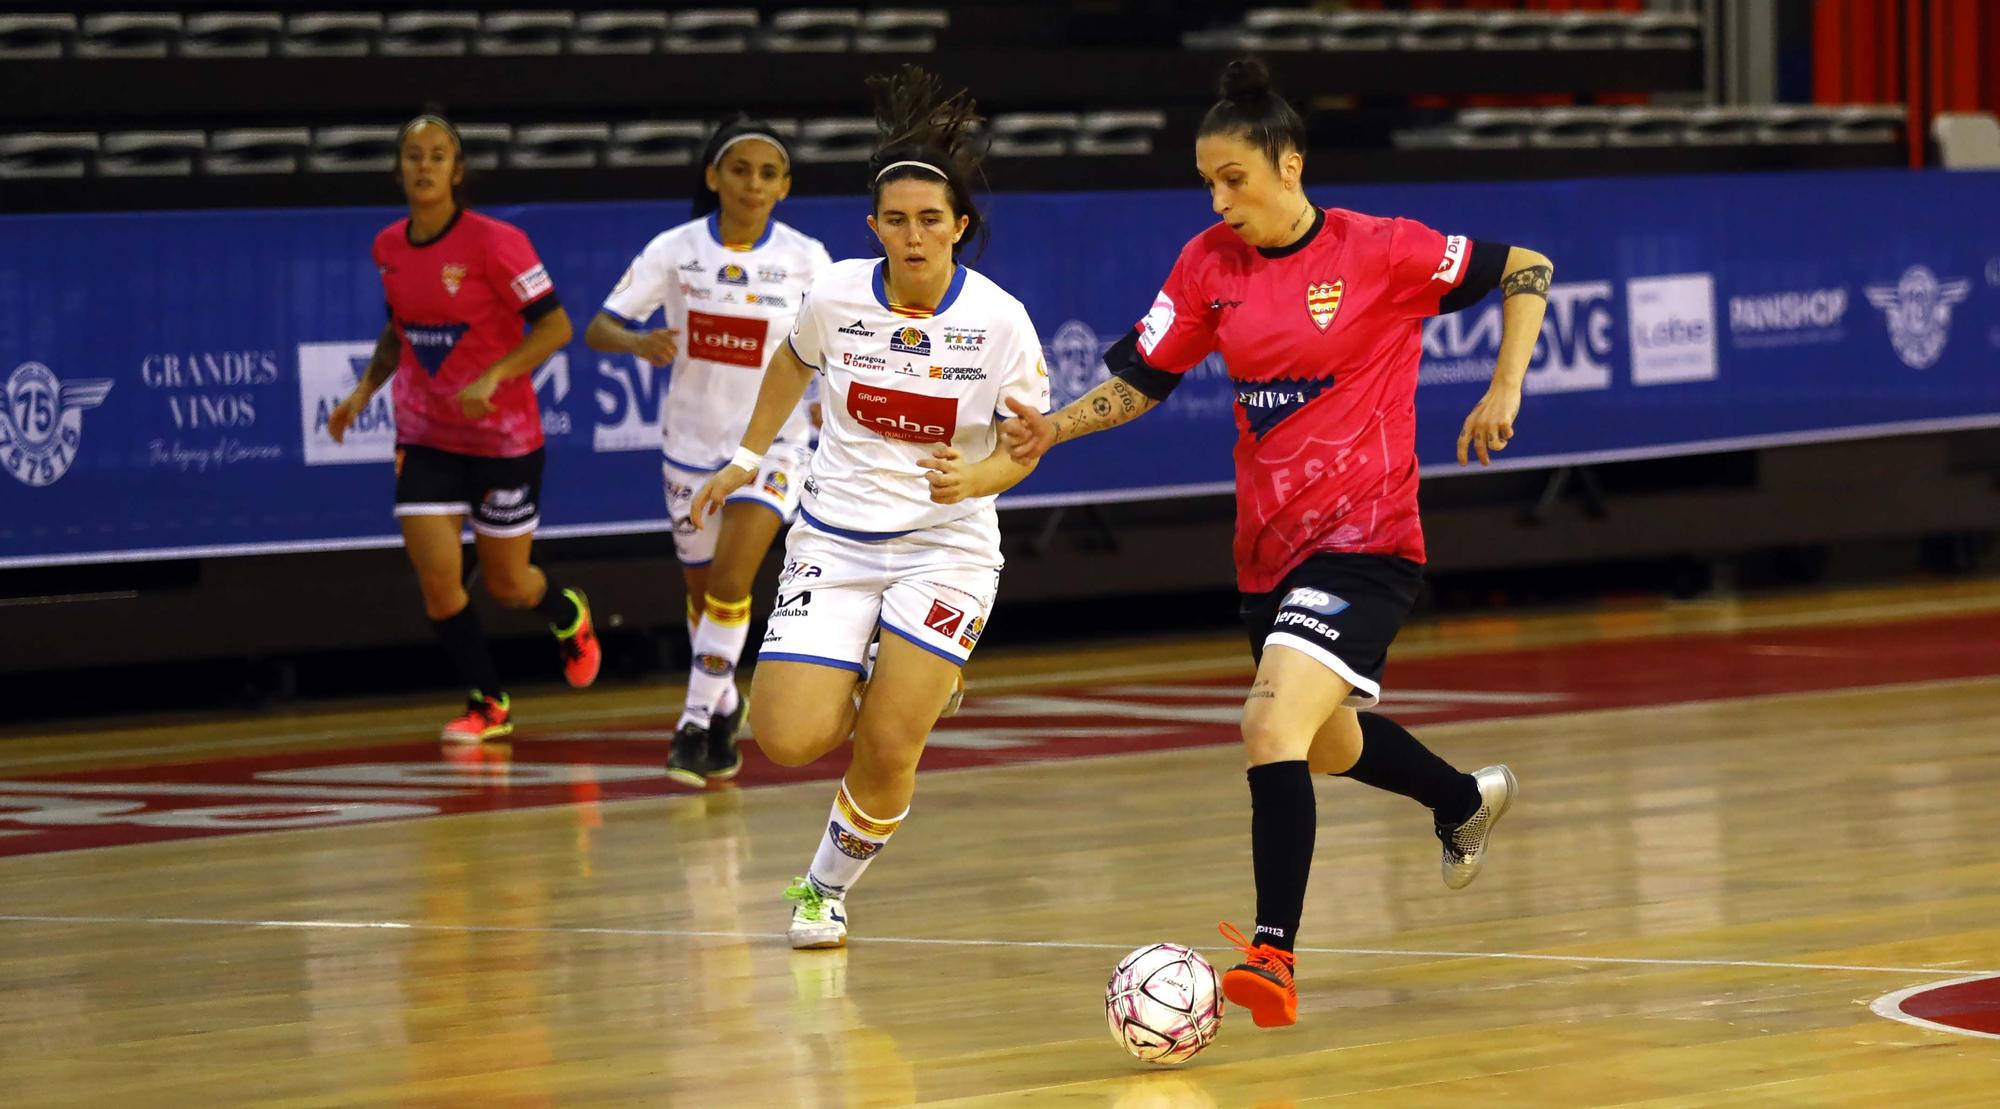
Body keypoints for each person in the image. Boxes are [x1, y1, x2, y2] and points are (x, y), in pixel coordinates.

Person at [1002, 59, 1553, 1029]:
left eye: (1234, 179)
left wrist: (1502, 385)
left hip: (1367, 540)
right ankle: (1461, 796)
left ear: (1288, 165)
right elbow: (1142, 379)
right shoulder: (1206, 265)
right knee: (1324, 741)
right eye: (1206, 181)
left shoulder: (1381, 249)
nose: (1218, 201)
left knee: (1266, 724)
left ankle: (1272, 955)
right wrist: (1049, 427)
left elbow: (1526, 269)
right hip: (1267, 552)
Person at [690, 65, 1049, 949]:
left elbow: (1026, 442)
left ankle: (823, 889)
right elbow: (790, 361)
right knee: (784, 736)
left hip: (946, 547)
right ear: (873, 228)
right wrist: (746, 455)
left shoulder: (1002, 323)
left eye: (932, 220)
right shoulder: (837, 294)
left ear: (960, 226)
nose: (915, 235)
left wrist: (981, 480)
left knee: (889, 743)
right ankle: (892, 669)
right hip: (836, 539)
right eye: (897, 220)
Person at [328, 111, 601, 743]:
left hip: (502, 439)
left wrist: (494, 377)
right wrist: (362, 393)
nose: (424, 166)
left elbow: (556, 327)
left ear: (458, 170)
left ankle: (567, 611)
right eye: (413, 155)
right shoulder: (388, 247)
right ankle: (488, 700)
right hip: (424, 435)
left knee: (508, 585)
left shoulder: (496, 243)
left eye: (437, 155)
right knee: (438, 581)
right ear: (399, 170)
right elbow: (398, 333)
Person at [584, 115, 832, 787]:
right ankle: (724, 702)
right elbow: (600, 326)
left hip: (773, 448)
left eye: (769, 173)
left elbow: (840, 349)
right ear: (713, 176)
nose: (754, 183)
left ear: (785, 188)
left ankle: (694, 723)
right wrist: (640, 342)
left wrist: (828, 408)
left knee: (730, 582)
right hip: (690, 445)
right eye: (741, 169)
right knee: (702, 595)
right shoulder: (675, 249)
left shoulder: (809, 259)